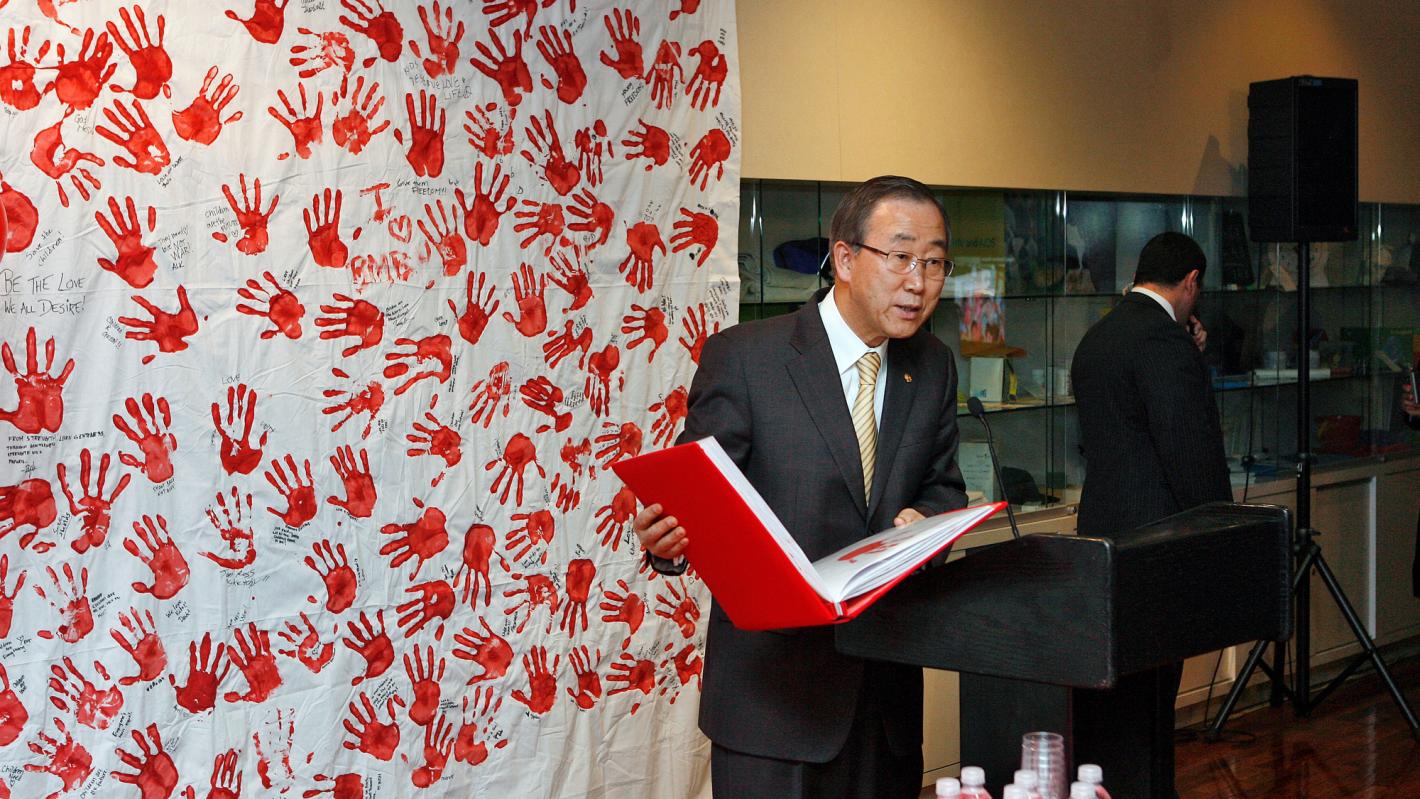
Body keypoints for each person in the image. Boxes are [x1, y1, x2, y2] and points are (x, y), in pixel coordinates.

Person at [633, 175, 968, 798]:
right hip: (773, 706)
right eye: (900, 257)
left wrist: (926, 523)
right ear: (845, 258)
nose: (919, 282)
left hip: (885, 698)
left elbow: (944, 487)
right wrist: (666, 538)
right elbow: (694, 501)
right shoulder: (747, 358)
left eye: (935, 263)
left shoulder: (934, 364)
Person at [1069, 231, 1231, 799]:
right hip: (1159, 543)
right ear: (1191, 283)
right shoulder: (1165, 344)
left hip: (1102, 535)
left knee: (1111, 694)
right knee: (1154, 696)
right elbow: (1190, 451)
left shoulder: (1097, 337)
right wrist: (1223, 534)